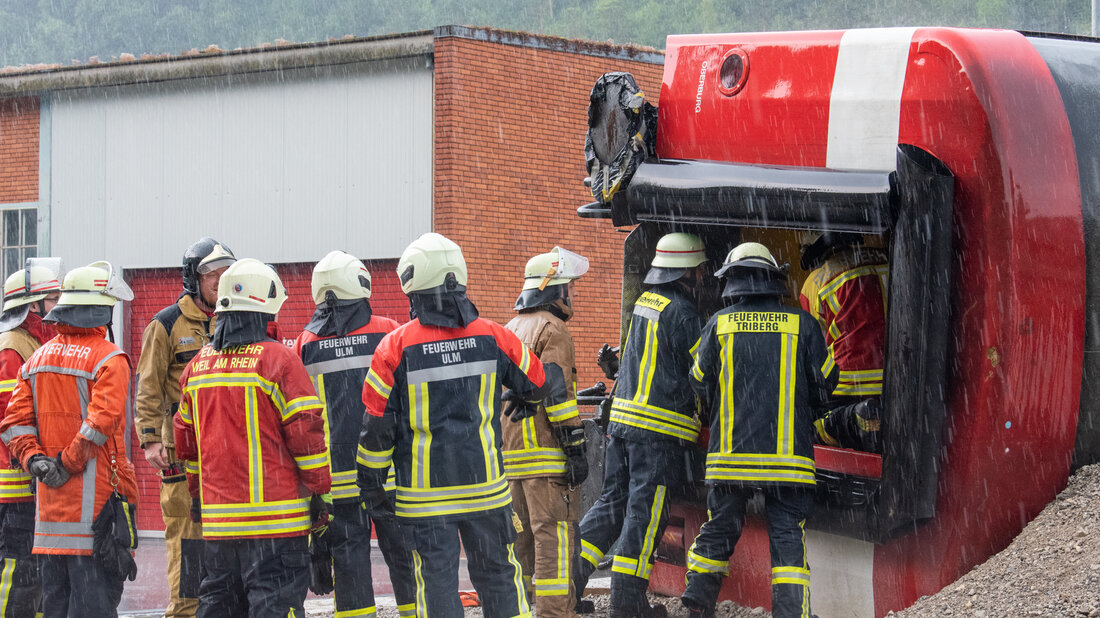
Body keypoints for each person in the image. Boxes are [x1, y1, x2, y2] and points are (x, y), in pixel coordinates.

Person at [357, 232, 547, 618]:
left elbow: (377, 429)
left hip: (425, 501)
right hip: (487, 490)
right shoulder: (495, 335)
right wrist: (525, 399)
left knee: (435, 584)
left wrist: (372, 485)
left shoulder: (393, 348)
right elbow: (539, 381)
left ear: (412, 287)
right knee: (499, 576)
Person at [680, 243, 837, 618]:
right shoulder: (802, 323)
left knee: (721, 524)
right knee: (787, 541)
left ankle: (699, 599)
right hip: (789, 460)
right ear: (772, 278)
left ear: (731, 282)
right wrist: (803, 410)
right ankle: (790, 612)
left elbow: (698, 382)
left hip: (729, 459)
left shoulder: (718, 324)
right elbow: (828, 383)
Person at [174, 258, 330, 617]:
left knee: (219, 605)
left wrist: (198, 496)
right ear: (266, 309)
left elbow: (187, 445)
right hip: (277, 524)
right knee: (273, 607)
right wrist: (320, 493)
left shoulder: (197, 367)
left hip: (219, 527)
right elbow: (306, 434)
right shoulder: (280, 361)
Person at [574, 232, 707, 618]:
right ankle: (627, 602)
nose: (702, 277)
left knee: (612, 504)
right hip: (658, 435)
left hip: (623, 428)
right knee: (644, 516)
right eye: (699, 270)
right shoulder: (684, 314)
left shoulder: (645, 303)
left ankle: (567, 585)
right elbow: (703, 375)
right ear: (687, 272)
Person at [0, 260, 140, 617]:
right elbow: (101, 422)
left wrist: (35, 461)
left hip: (48, 525)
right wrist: (66, 462)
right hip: (98, 518)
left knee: (54, 607)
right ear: (100, 310)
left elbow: (14, 421)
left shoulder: (36, 359)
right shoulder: (110, 358)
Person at [290, 250, 415, 618]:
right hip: (389, 475)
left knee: (348, 565)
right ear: (361, 285)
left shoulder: (302, 345)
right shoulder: (389, 331)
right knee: (404, 556)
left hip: (336, 483)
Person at [134, 238, 235, 617]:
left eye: (227, 272)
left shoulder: (234, 319)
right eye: (213, 273)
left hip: (224, 450)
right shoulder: (166, 325)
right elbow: (148, 385)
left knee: (227, 537)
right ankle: (186, 611)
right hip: (180, 450)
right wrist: (149, 440)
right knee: (188, 539)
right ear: (194, 278)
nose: (221, 279)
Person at [502, 247, 590, 617]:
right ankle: (555, 612)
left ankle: (520, 609)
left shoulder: (509, 327)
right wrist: (575, 448)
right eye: (567, 288)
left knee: (519, 544)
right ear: (552, 289)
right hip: (546, 459)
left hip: (512, 460)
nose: (569, 296)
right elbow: (557, 395)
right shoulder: (553, 329)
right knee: (554, 540)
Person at [0, 259, 62, 616]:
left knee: (35, 570)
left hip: (31, 481)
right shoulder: (14, 347)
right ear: (31, 305)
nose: (59, 304)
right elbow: (12, 416)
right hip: (16, 485)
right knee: (19, 569)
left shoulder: (34, 342)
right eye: (52, 297)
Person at [799, 232, 887, 453]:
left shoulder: (816, 280)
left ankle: (849, 420)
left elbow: (815, 342)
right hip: (895, 373)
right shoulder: (885, 257)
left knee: (812, 424)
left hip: (849, 380)